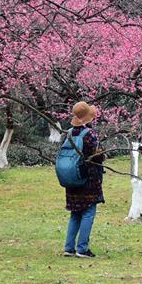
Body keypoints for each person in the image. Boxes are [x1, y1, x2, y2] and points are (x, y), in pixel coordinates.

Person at [63, 101, 104, 258]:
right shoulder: (90, 135)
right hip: (88, 179)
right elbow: (98, 156)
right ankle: (82, 248)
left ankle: (69, 247)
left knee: (75, 212)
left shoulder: (69, 133)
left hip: (72, 178)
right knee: (88, 211)